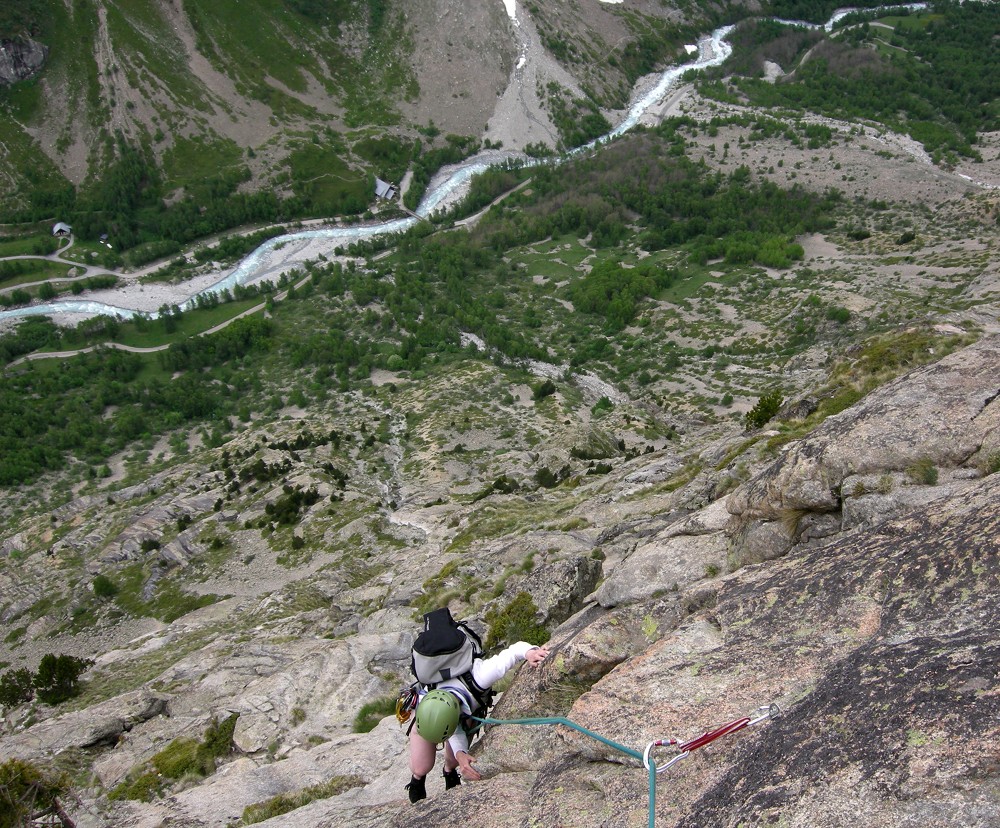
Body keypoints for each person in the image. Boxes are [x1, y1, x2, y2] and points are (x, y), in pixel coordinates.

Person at [405, 640, 550, 803]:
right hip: (429, 716)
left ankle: (449, 771)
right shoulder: (425, 700)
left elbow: (513, 651)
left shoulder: (480, 676)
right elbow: (449, 726)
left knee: (455, 760)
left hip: (465, 712)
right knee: (421, 765)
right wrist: (460, 751)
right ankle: (417, 779)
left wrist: (530, 652)